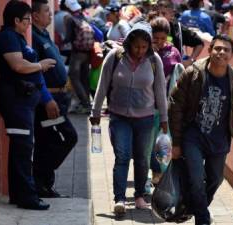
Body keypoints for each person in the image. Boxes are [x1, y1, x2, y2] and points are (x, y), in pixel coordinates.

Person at [169, 34, 233, 225]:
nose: (221, 53)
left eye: (226, 50)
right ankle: (202, 219)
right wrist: (176, 142)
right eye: (217, 48)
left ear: (231, 55)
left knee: (215, 180)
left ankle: (191, 207)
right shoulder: (193, 73)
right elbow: (175, 105)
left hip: (219, 139)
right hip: (193, 137)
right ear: (209, 51)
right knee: (196, 178)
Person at [89, 21, 168, 214]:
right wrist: (96, 112)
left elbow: (160, 91)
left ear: (149, 45)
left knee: (142, 158)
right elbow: (102, 85)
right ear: (129, 43)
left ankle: (140, 195)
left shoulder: (154, 60)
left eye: (144, 46)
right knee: (122, 156)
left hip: (146, 118)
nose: (140, 50)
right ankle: (120, 199)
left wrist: (165, 118)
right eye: (136, 46)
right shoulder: (114, 57)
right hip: (119, 117)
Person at [0, 0, 57, 210]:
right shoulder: (8, 37)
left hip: (23, 102)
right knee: (23, 150)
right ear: (15, 20)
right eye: (27, 20)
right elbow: (17, 64)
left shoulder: (17, 36)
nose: (29, 23)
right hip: (16, 102)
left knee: (21, 149)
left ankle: (18, 194)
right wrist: (40, 65)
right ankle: (27, 198)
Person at [31, 0, 78, 198]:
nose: (51, 15)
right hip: (48, 102)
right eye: (47, 12)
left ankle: (44, 185)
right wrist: (47, 99)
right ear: (35, 16)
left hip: (59, 98)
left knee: (47, 142)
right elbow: (36, 73)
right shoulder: (33, 37)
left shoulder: (44, 34)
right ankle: (38, 177)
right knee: (69, 137)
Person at [149, 16, 183, 184]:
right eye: (156, 38)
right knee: (149, 144)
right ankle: (154, 172)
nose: (160, 42)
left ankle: (163, 174)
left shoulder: (174, 52)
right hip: (148, 105)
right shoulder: (145, 52)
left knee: (164, 142)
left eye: (163, 38)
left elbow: (180, 74)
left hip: (167, 106)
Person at [64, 0, 94, 113]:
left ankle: (85, 104)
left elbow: (68, 37)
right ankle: (86, 104)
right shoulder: (84, 17)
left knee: (74, 77)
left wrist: (62, 42)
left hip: (77, 53)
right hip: (87, 53)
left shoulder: (69, 18)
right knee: (84, 79)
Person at [157, 0, 204, 67]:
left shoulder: (178, 29)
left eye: (163, 13)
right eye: (157, 13)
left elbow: (200, 43)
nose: (160, 16)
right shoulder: (150, 27)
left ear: (172, 14)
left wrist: (190, 61)